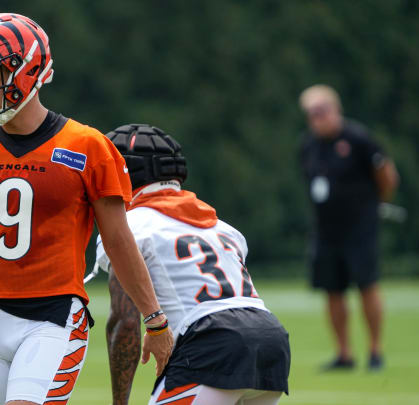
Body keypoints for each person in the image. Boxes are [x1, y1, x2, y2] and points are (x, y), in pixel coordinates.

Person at [0, 13, 173, 405]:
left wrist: (155, 319)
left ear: (28, 70)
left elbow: (119, 241)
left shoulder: (87, 146)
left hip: (54, 317)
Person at [98, 124, 290, 405]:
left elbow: (125, 322)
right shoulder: (225, 228)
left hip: (211, 342)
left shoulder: (129, 227)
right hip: (270, 340)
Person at [298, 84, 399, 371]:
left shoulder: (358, 139)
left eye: (321, 111)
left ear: (335, 109)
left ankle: (376, 351)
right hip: (326, 229)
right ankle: (344, 353)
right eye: (311, 113)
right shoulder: (308, 145)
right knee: (332, 289)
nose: (317, 118)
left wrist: (376, 202)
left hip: (359, 228)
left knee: (367, 284)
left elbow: (386, 174)